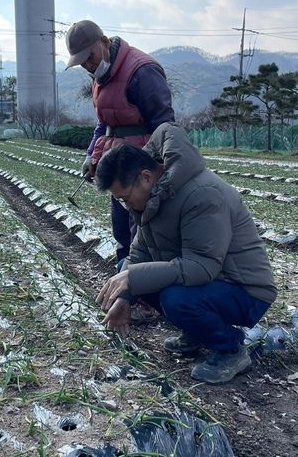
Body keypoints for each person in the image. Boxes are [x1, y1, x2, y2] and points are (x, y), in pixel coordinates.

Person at [94, 122, 277, 384]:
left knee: (175, 298)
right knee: (128, 267)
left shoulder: (202, 194)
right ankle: (198, 332)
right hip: (212, 282)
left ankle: (231, 349)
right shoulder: (155, 195)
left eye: (125, 197)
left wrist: (133, 278)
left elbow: (202, 266)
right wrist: (125, 297)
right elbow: (140, 253)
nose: (126, 205)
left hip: (245, 290)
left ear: (146, 177)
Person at [65, 19, 174, 264]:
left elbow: (165, 124)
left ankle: (141, 281)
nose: (88, 66)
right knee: (121, 225)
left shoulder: (142, 70)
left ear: (104, 43)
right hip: (115, 161)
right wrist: (91, 152)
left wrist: (164, 167)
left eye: (90, 58)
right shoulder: (98, 76)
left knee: (142, 227)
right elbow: (104, 123)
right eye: (82, 63)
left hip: (141, 161)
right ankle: (124, 275)